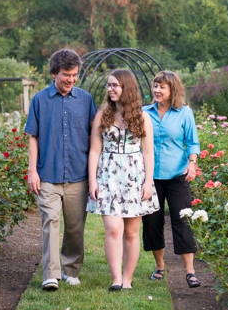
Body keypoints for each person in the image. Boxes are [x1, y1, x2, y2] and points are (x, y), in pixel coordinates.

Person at [25, 48, 98, 291]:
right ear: (55, 73)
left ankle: (71, 269)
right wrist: (32, 171)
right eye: (66, 74)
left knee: (76, 227)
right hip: (48, 174)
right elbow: (33, 137)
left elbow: (95, 137)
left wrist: (94, 175)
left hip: (78, 174)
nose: (71, 79)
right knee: (50, 222)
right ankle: (51, 274)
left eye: (75, 75)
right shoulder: (39, 100)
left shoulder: (86, 100)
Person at [86, 69, 159, 290]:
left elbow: (148, 152)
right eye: (109, 85)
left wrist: (148, 182)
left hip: (134, 177)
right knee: (113, 229)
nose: (110, 89)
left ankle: (127, 280)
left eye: (115, 85)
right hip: (108, 176)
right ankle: (116, 279)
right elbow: (94, 152)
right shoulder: (102, 115)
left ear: (126, 87)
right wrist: (93, 181)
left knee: (130, 231)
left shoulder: (142, 117)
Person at [141, 71, 202, 288]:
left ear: (172, 90)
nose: (157, 90)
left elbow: (192, 142)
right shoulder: (144, 112)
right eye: (155, 86)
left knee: (182, 220)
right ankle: (159, 267)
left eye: (162, 87)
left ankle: (190, 271)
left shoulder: (184, 113)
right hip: (150, 177)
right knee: (152, 222)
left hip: (177, 175)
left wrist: (192, 163)